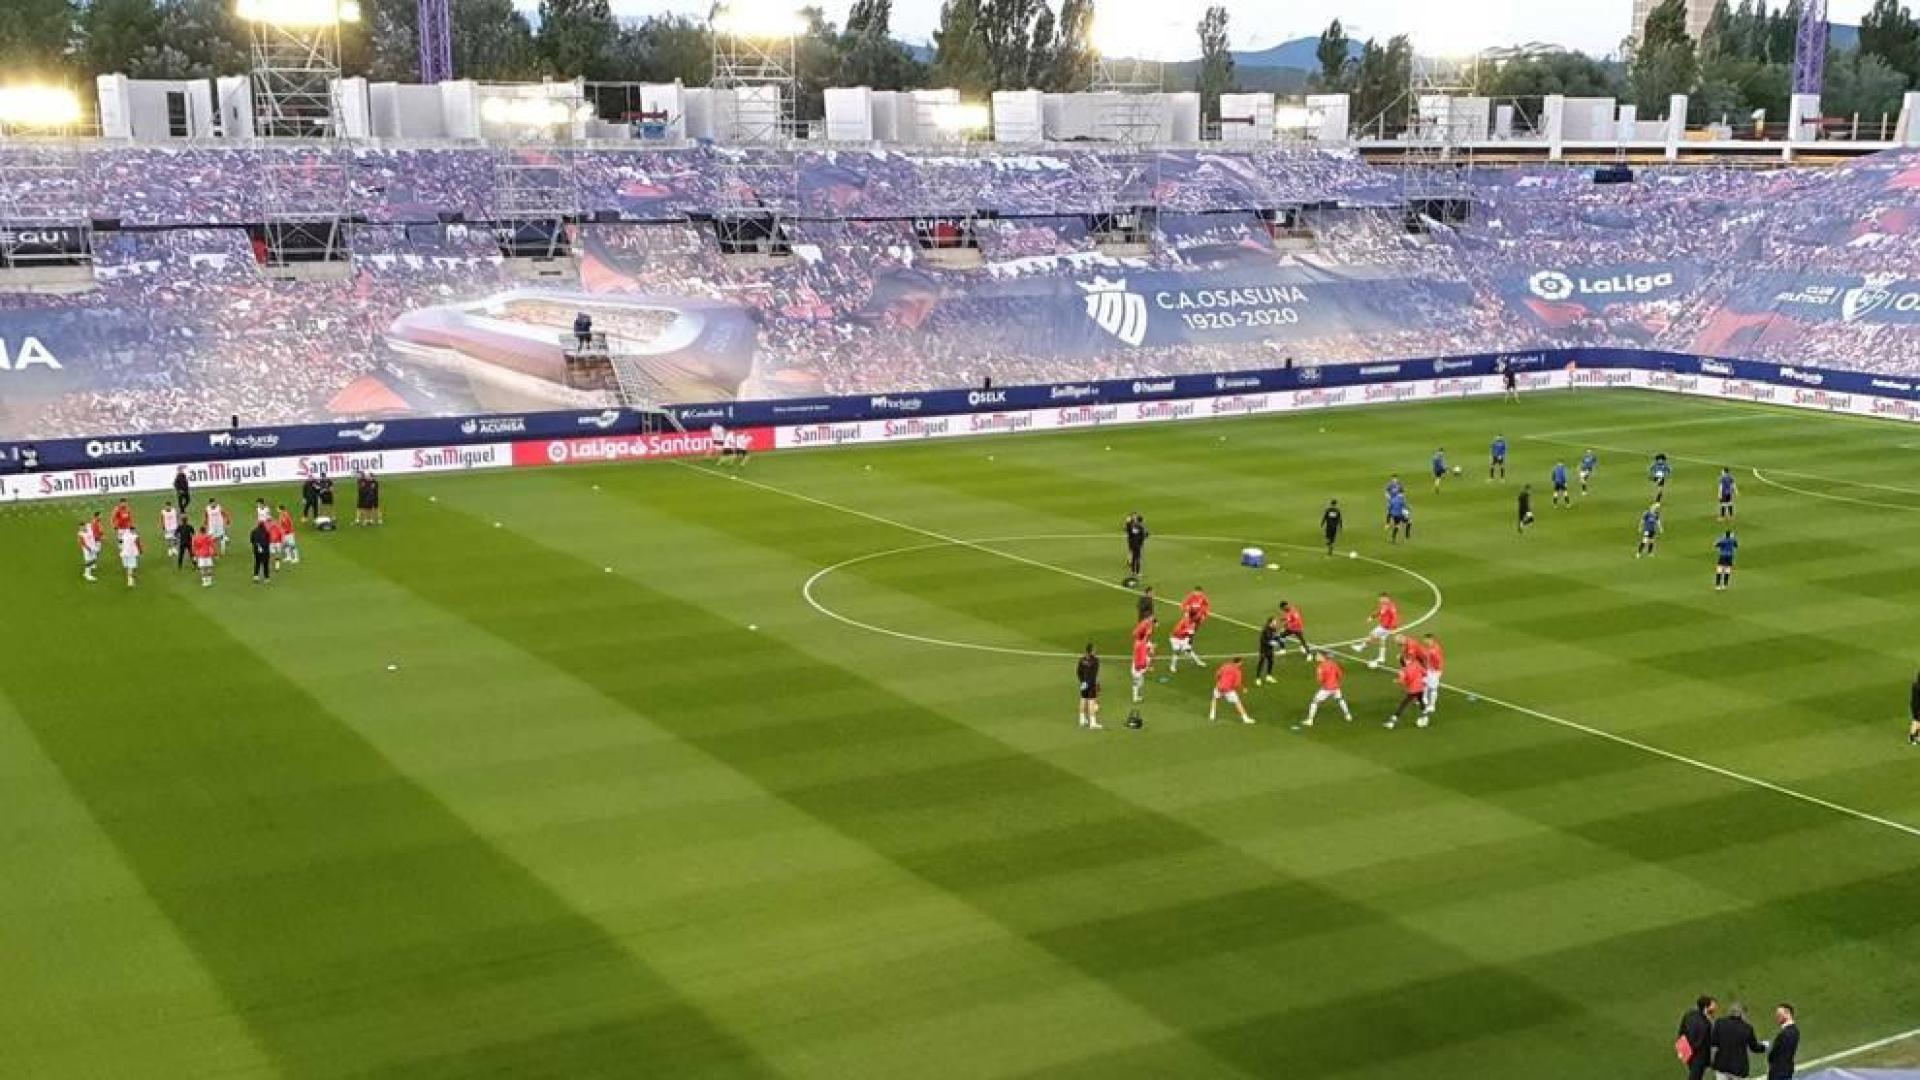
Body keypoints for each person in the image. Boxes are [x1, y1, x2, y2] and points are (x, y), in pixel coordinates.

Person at [1709, 1002, 1767, 1080]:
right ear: (1742, 1014)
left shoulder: (1719, 1023)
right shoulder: (1747, 1028)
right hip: (1738, 1069)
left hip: (1721, 1065)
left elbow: (1714, 1044)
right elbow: (1754, 1047)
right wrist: (1764, 1046)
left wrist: (1712, 1061)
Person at [1300, 650, 1353, 726]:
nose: (1317, 657)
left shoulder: (1320, 667)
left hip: (1326, 688)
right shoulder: (1334, 663)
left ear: (1323, 657)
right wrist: (1335, 682)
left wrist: (1323, 681)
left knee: (1314, 702)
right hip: (1336, 687)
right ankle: (1348, 715)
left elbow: (1320, 679)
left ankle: (1310, 720)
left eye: (1318, 656)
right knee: (1340, 699)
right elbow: (1340, 674)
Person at [1384, 650, 1430, 730]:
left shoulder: (1403, 671)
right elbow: (1425, 673)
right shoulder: (1416, 664)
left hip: (1413, 690)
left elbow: (1402, 681)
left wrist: (1396, 681)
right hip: (1421, 687)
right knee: (1421, 700)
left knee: (1403, 704)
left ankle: (1392, 722)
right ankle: (1425, 715)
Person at [1678, 996, 1717, 1080]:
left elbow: (1682, 1030)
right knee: (1695, 1076)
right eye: (1712, 1006)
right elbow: (1704, 1043)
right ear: (1706, 1008)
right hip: (1698, 1056)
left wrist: (1682, 1046)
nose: (1714, 1008)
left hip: (1686, 1050)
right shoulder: (1705, 1024)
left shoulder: (1689, 1014)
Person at [1208, 657, 1253, 724]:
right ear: (1239, 663)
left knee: (1215, 698)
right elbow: (1237, 684)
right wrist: (1243, 689)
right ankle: (1245, 719)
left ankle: (1212, 715)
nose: (1242, 664)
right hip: (1228, 690)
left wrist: (1219, 682)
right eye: (1241, 662)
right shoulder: (1238, 671)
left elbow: (1217, 674)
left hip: (1219, 687)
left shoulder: (1225, 666)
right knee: (1237, 702)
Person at [1366, 592, 1401, 666]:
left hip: (1386, 627)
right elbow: (1379, 611)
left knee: (1372, 634)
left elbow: (1395, 616)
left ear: (1386, 598)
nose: (1380, 600)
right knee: (1382, 640)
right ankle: (1382, 657)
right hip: (1383, 625)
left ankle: (1363, 646)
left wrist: (1393, 627)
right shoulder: (1383, 604)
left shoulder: (1391, 606)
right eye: (1380, 599)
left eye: (1381, 598)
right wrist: (1371, 617)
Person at [1766, 1004, 1798, 1080]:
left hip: (1779, 1073)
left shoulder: (1785, 1033)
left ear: (1787, 1013)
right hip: (1786, 1071)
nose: (1777, 1017)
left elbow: (1776, 1054)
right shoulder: (1794, 1031)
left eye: (1779, 1014)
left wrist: (1770, 1056)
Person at [1076, 644, 1102, 730]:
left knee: (1083, 699)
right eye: (1094, 649)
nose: (1096, 651)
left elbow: (1078, 672)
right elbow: (1094, 675)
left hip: (1084, 683)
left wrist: (1082, 682)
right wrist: (1096, 684)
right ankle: (1093, 723)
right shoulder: (1095, 661)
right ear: (1091, 651)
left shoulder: (1082, 660)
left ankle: (1082, 720)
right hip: (1091, 684)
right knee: (1091, 701)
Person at [1420, 634, 1445, 719]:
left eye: (1425, 640)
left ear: (1430, 639)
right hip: (1430, 669)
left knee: (1433, 688)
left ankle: (1432, 705)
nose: (1424, 641)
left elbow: (1438, 661)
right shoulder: (1432, 647)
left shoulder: (1434, 650)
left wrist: (1435, 670)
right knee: (1424, 682)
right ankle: (1424, 698)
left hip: (1434, 671)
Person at [1255, 615, 1281, 685]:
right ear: (1271, 622)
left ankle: (1268, 676)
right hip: (1264, 650)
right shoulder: (1265, 630)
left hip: (1270, 649)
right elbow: (1262, 640)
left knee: (1271, 662)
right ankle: (1258, 678)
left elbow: (1274, 637)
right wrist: (1270, 642)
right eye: (1274, 621)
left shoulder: (1274, 629)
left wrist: (1278, 639)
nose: (1276, 622)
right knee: (1261, 663)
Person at [1124, 513, 1148, 583]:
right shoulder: (1141, 527)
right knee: (1138, 558)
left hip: (1132, 543)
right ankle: (1137, 573)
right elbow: (1143, 536)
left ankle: (1132, 572)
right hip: (1137, 545)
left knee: (1134, 558)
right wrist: (1146, 535)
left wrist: (1128, 522)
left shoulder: (1134, 526)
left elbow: (1129, 531)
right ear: (1142, 520)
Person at [1131, 634, 1153, 704]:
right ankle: (1135, 698)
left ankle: (1136, 697)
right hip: (1137, 668)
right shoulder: (1141, 648)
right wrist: (1148, 668)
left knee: (1139, 683)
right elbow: (1140, 665)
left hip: (1138, 667)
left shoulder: (1141, 644)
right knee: (1137, 682)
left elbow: (1150, 653)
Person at [249, 517, 273, 583]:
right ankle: (266, 578)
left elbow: (252, 541)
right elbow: (268, 541)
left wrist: (256, 546)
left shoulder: (254, 531)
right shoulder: (267, 532)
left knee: (257, 563)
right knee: (266, 564)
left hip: (257, 550)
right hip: (265, 550)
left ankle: (256, 576)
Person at [77, 519, 100, 583]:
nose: (81, 528)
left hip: (93, 547)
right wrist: (88, 549)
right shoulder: (80, 534)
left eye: (82, 527)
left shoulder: (89, 526)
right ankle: (87, 574)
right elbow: (82, 543)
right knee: (89, 560)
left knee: (94, 559)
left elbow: (93, 522)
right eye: (80, 528)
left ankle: (88, 569)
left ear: (85, 525)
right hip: (87, 549)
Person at [1910, 669, 1920, 746]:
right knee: (1916, 721)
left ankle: (1917, 736)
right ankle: (1912, 738)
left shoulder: (1915, 684)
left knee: (1917, 720)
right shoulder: (1918, 687)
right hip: (1918, 706)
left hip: (1914, 705)